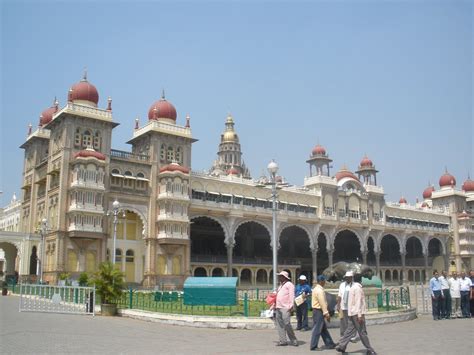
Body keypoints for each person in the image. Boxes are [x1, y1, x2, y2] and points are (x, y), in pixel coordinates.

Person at [335, 273, 376, 355]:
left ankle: (342, 346)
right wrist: (360, 315)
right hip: (357, 314)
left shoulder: (352, 288)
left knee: (349, 331)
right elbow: (358, 303)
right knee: (362, 332)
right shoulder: (357, 288)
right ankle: (369, 349)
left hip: (352, 313)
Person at [309, 275, 336, 351]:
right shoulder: (320, 291)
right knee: (317, 329)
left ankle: (330, 343)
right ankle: (313, 346)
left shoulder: (315, 289)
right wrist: (326, 313)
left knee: (323, 329)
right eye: (324, 281)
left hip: (316, 310)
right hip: (319, 311)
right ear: (321, 281)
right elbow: (322, 303)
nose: (325, 283)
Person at [274, 271, 298, 346]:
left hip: (285, 307)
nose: (279, 278)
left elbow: (291, 296)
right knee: (280, 325)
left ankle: (293, 339)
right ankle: (283, 340)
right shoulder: (280, 286)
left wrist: (291, 306)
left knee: (287, 324)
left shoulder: (289, 285)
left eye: (280, 276)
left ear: (284, 277)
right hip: (278, 307)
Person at [336, 271, 357, 342]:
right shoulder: (342, 285)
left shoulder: (355, 285)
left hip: (352, 307)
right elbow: (339, 295)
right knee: (343, 321)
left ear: (351, 278)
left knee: (352, 322)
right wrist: (338, 305)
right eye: (346, 278)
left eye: (349, 278)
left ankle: (353, 336)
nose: (347, 279)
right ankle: (343, 335)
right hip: (343, 306)